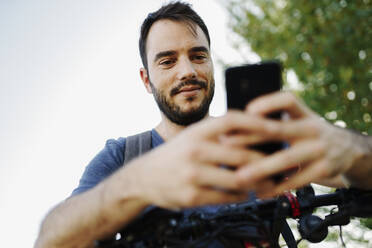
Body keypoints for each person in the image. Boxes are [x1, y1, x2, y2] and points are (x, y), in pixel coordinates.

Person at [34, 2, 372, 248]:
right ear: (146, 79)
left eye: (198, 56)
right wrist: (136, 185)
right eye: (167, 61)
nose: (187, 72)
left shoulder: (261, 141)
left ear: (211, 63)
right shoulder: (124, 157)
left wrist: (349, 149)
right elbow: (51, 238)